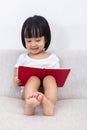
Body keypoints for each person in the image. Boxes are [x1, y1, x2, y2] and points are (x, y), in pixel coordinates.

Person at [14, 15, 60, 116]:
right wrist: (16, 79)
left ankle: (49, 104)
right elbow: (16, 76)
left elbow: (58, 78)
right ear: (24, 40)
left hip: (46, 91)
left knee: (50, 79)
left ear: (46, 39)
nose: (33, 44)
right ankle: (30, 105)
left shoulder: (53, 58)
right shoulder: (23, 58)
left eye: (38, 40)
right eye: (29, 41)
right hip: (28, 90)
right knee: (34, 78)